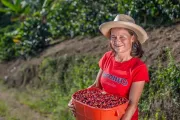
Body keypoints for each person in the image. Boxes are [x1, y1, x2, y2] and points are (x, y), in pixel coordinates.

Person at [68, 14, 149, 120]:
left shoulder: (138, 67)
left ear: (132, 38)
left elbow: (132, 105)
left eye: (122, 37)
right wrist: (76, 101)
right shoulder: (107, 57)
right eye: (113, 37)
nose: (117, 41)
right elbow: (96, 86)